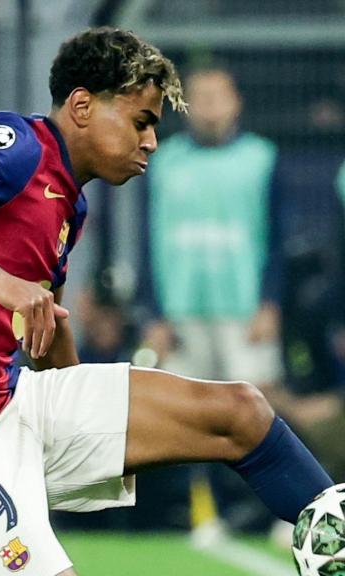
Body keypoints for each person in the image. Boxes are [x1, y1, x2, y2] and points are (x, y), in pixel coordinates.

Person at [0, 27, 334, 576]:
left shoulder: (70, 204)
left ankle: (338, 539)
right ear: (83, 106)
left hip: (11, 402)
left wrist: (89, 406)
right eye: (141, 122)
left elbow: (44, 332)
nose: (152, 143)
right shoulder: (17, 145)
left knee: (240, 412)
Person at [137, 66, 286, 535]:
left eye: (217, 96)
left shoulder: (262, 158)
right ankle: (208, 513)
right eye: (199, 97)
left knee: (261, 412)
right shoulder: (164, 160)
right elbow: (147, 239)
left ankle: (282, 510)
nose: (209, 105)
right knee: (191, 420)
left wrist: (271, 302)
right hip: (182, 309)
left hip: (243, 308)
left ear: (235, 101)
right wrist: (153, 312)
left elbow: (278, 237)